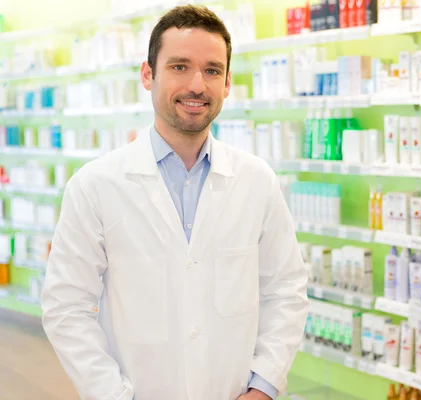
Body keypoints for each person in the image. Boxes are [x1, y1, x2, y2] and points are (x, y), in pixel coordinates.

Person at [41, 5, 309, 400]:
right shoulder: (95, 185)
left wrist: (263, 386)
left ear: (228, 82)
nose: (197, 85)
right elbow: (66, 308)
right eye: (179, 67)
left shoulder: (257, 181)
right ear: (148, 75)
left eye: (212, 70)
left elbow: (285, 291)